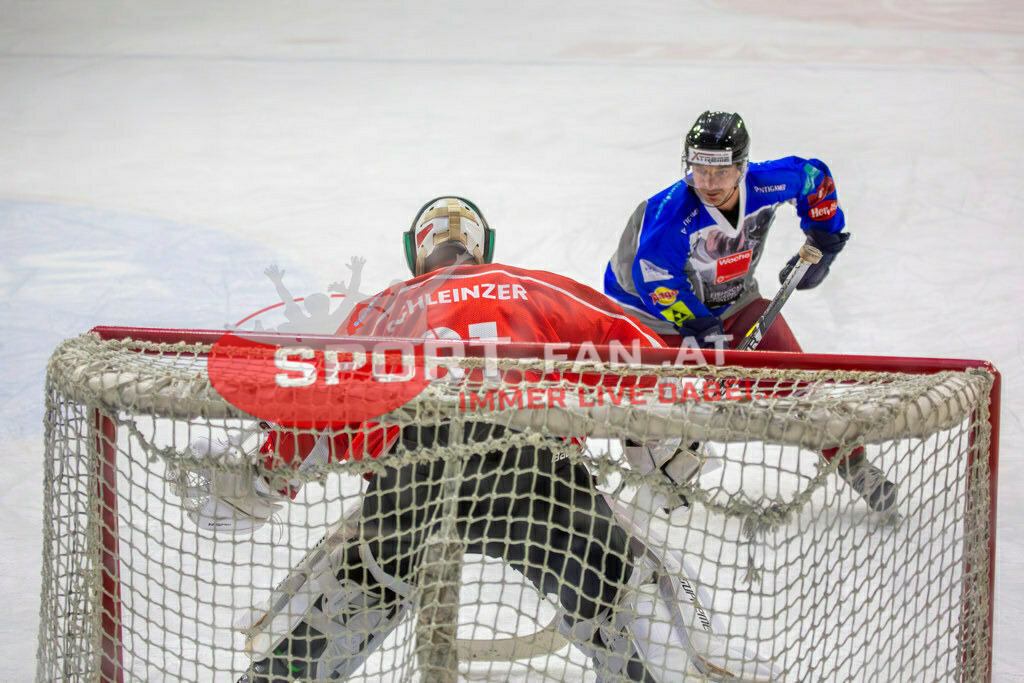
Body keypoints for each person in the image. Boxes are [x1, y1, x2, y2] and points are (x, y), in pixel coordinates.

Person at [220, 197, 773, 681]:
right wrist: (666, 451)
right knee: (623, 585)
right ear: (483, 247)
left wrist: (266, 481)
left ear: (417, 252)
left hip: (412, 479)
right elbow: (639, 358)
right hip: (534, 472)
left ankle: (284, 666)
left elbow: (318, 412)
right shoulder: (536, 286)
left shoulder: (380, 309)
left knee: (356, 579)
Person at [603, 111, 896, 512]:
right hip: (651, 316)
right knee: (659, 411)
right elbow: (655, 279)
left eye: (721, 172)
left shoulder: (766, 182)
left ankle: (856, 466)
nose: (709, 184)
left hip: (734, 300)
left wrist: (825, 239)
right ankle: (662, 481)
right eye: (700, 170)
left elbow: (814, 178)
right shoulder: (670, 213)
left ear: (742, 167)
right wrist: (702, 329)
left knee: (799, 381)